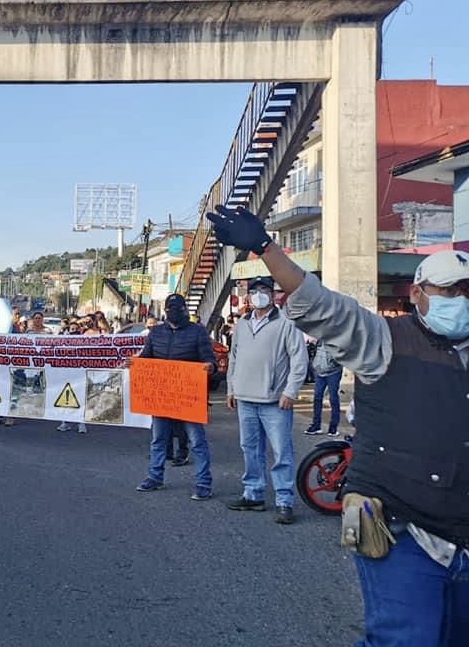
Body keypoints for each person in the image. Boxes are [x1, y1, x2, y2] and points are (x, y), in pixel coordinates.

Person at [209, 205, 469, 644]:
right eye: (449, 290)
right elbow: (323, 306)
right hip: (402, 529)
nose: (460, 299)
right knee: (406, 640)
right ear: (417, 293)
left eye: (467, 290)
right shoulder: (384, 340)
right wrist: (265, 247)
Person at [224, 276, 308, 525]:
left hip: (275, 401)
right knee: (250, 449)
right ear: (248, 296)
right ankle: (253, 494)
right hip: (245, 398)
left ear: (273, 294)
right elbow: (234, 358)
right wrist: (231, 389)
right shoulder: (242, 324)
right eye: (254, 290)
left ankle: (284, 501)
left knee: (281, 453)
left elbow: (299, 359)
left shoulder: (287, 323)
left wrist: (290, 392)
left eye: (264, 290)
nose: (259, 294)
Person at [132, 294, 217, 501]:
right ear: (165, 311)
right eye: (170, 309)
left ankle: (203, 483)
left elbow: (209, 359)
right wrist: (135, 364)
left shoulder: (197, 332)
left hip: (188, 397)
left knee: (197, 441)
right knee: (158, 439)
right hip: (162, 396)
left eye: (177, 309)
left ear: (184, 310)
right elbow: (146, 358)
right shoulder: (156, 333)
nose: (173, 313)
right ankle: (155, 477)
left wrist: (210, 367)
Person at [306, 340, 343, 437]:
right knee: (317, 398)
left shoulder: (338, 337)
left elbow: (343, 353)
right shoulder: (320, 337)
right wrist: (315, 365)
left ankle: (333, 427)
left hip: (333, 372)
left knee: (333, 398)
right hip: (320, 372)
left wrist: (334, 363)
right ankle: (316, 426)